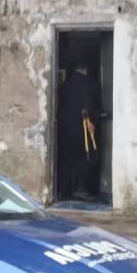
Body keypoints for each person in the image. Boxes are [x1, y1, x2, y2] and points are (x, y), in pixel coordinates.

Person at [59, 62, 102, 200]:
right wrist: (93, 120)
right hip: (83, 127)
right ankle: (80, 188)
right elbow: (91, 104)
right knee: (85, 157)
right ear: (86, 70)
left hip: (65, 128)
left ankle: (63, 191)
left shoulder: (65, 84)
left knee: (66, 159)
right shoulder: (90, 83)